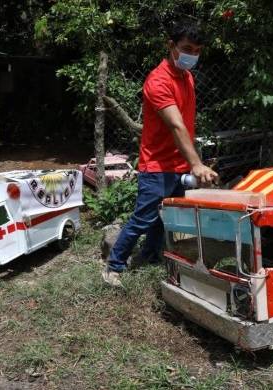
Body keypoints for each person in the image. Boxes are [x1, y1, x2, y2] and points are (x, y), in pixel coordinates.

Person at [102, 20, 218, 287]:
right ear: (171, 46)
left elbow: (186, 126)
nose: (193, 55)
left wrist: (192, 162)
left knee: (166, 217)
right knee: (143, 218)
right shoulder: (158, 81)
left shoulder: (187, 77)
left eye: (197, 50)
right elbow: (176, 124)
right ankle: (114, 266)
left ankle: (150, 256)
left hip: (179, 164)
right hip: (157, 165)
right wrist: (197, 163)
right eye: (187, 48)